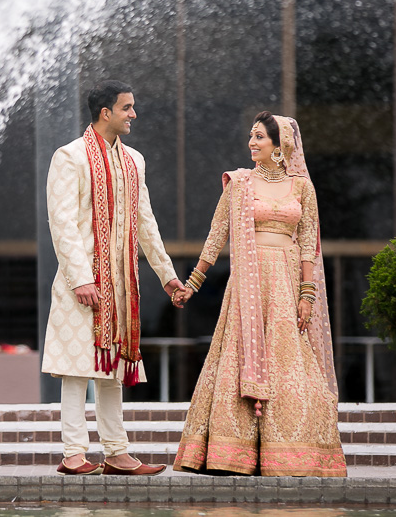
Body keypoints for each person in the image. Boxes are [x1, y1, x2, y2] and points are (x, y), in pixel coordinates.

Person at [172, 112, 347, 477]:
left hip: (285, 283)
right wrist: (192, 283)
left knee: (289, 362)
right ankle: (230, 453)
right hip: (249, 284)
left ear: (279, 145)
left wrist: (307, 295)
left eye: (259, 137)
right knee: (238, 356)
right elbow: (217, 235)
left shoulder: (302, 187)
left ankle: (295, 453)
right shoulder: (240, 183)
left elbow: (307, 246)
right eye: (251, 137)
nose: (252, 143)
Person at [42, 79, 187, 476]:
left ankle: (116, 453)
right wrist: (80, 278)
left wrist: (167, 276)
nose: (133, 114)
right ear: (106, 112)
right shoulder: (69, 157)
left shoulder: (133, 161)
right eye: (127, 108)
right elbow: (62, 222)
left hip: (122, 284)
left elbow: (145, 222)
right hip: (82, 283)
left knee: (113, 369)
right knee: (76, 368)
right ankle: (73, 453)